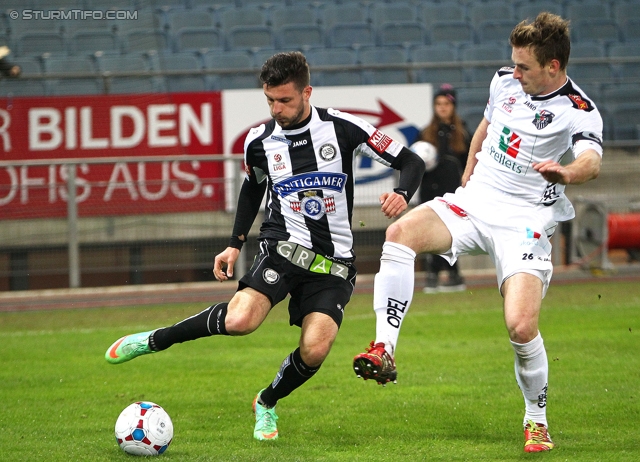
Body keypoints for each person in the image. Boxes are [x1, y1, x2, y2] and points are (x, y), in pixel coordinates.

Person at [105, 52, 425, 441]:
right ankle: (155, 339)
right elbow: (253, 186)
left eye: (285, 100)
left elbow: (410, 160)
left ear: (307, 92)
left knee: (316, 349)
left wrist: (403, 192)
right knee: (241, 321)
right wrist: (234, 244)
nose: (277, 109)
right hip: (282, 248)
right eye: (270, 100)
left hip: (334, 264)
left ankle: (267, 402)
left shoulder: (345, 127)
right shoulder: (259, 141)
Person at [353, 13, 602, 453]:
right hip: (476, 201)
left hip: (525, 220)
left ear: (554, 67)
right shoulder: (504, 80)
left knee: (521, 326)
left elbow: (591, 161)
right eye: (514, 63)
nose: (515, 72)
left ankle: (537, 421)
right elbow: (486, 127)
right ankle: (384, 348)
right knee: (399, 235)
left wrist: (564, 171)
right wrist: (467, 175)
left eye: (525, 66)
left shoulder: (577, 109)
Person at [415, 84, 471, 293]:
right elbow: (414, 163)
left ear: (453, 106)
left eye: (446, 104)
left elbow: (470, 163)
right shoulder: (424, 134)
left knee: (451, 234)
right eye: (438, 104)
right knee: (430, 233)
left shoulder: (463, 133)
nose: (442, 108)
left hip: (453, 192)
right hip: (429, 191)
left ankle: (454, 274)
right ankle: (433, 274)